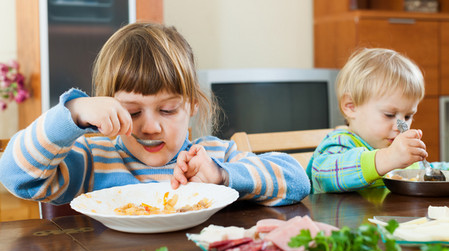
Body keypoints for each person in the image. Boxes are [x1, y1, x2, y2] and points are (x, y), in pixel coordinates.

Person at [0, 22, 310, 206]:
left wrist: (222, 176)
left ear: (192, 105)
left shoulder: (213, 156)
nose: (150, 127)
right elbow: (16, 177)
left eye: (168, 109)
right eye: (132, 112)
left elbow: (297, 181)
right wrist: (73, 112)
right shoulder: (92, 160)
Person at [306, 48, 428, 194]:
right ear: (351, 106)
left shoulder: (401, 151)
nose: (401, 126)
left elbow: (426, 171)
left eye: (408, 116)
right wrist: (386, 158)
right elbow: (323, 175)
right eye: (389, 115)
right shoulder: (341, 143)